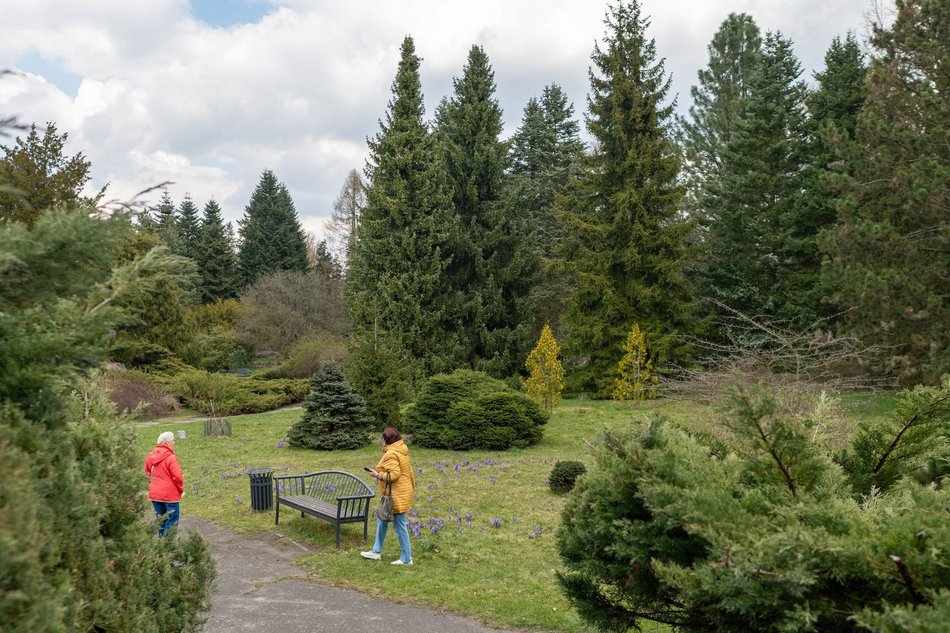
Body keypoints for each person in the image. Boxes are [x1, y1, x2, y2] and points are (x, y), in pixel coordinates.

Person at [361, 427, 416, 565]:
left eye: (382, 438)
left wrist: (378, 475)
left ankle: (406, 559)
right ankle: (376, 551)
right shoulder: (401, 449)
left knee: (399, 526)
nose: (381, 440)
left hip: (396, 495)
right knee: (382, 519)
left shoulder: (391, 453)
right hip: (401, 492)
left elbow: (394, 475)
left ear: (386, 440)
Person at [144, 431, 184, 537]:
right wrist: (180, 489)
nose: (174, 442)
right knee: (172, 519)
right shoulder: (171, 457)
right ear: (167, 443)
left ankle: (162, 544)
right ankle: (168, 543)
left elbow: (146, 475)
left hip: (155, 494)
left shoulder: (150, 457)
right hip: (170, 495)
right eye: (172, 440)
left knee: (161, 520)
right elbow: (178, 477)